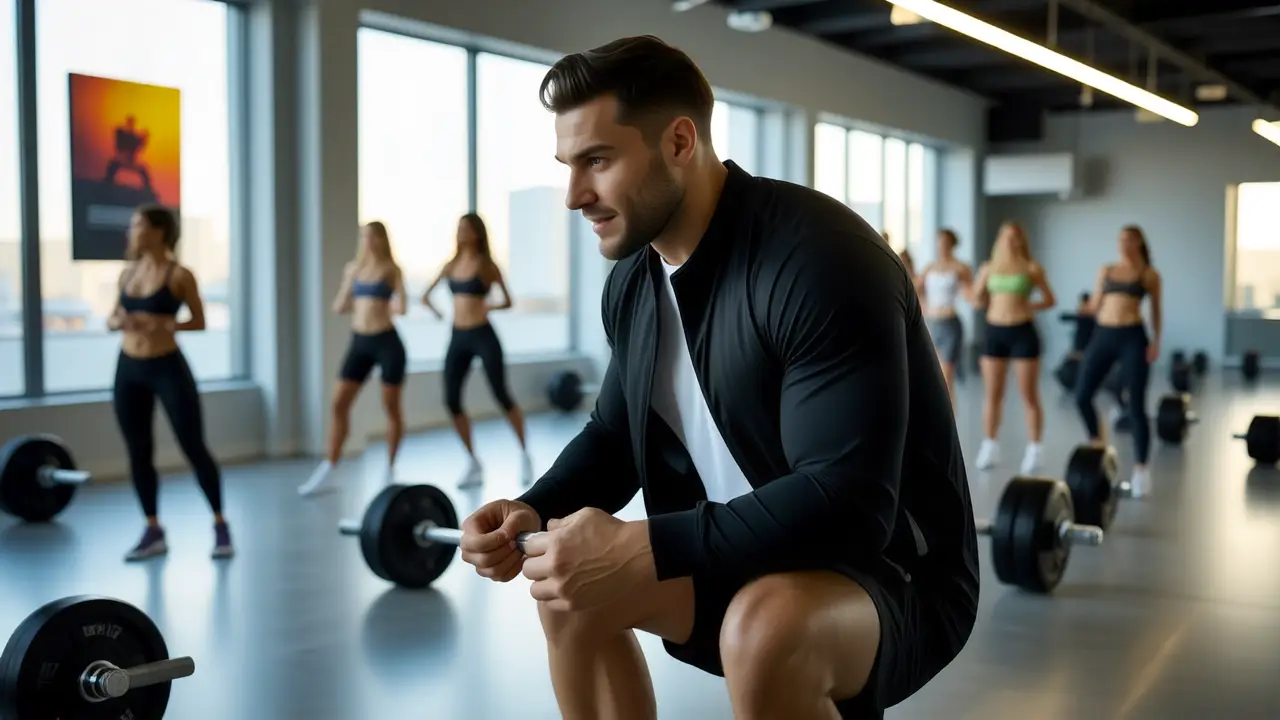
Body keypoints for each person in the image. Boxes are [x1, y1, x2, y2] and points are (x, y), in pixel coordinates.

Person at [456, 35, 979, 720]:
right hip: (739, 551)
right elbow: (615, 436)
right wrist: (532, 505)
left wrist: (644, 543)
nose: (575, 195)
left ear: (679, 141)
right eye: (568, 165)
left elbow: (848, 502)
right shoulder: (634, 286)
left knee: (766, 630)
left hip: (892, 571)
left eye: (598, 161)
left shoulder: (820, 260)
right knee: (569, 588)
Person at [107, 205, 232, 561]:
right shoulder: (127, 274)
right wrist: (120, 321)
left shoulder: (180, 275)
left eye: (138, 224)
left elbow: (199, 321)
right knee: (138, 450)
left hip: (167, 367)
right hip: (129, 368)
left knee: (193, 445)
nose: (132, 230)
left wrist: (165, 325)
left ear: (160, 231)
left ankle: (220, 525)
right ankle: (152, 529)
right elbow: (113, 315)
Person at [421, 213, 533, 488]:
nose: (461, 232)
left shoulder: (487, 266)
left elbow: (508, 301)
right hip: (458, 336)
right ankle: (473, 462)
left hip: (483, 334)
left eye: (467, 228)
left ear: (477, 233)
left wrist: (489, 306)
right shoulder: (451, 265)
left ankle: (524, 454)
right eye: (459, 228)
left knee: (501, 393)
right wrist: (435, 312)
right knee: (451, 399)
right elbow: (425, 295)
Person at [298, 221, 408, 496]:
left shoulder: (391, 270)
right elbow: (339, 306)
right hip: (360, 342)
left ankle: (390, 468)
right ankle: (330, 466)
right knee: (339, 403)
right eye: (364, 236)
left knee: (390, 406)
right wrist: (351, 286)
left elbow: (402, 305)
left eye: (372, 236)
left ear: (382, 239)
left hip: (387, 342)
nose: (368, 241)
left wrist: (389, 302)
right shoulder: (354, 269)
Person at [1074, 225, 1162, 496]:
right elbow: (1095, 305)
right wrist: (1082, 310)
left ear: (1139, 243)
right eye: (1120, 238)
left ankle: (1140, 469)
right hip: (1104, 334)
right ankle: (1097, 445)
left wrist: (1156, 341)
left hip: (1132, 337)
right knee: (1082, 395)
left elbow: (1157, 310)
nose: (1123, 243)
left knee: (1136, 404)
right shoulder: (1107, 270)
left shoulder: (1148, 274)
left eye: (1129, 239)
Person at [970, 221, 1057, 474]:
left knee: (1028, 394)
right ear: (999, 239)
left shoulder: (1031, 268)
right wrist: (978, 296)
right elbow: (976, 298)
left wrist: (1031, 306)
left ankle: (1034, 449)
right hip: (995, 331)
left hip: (1023, 332)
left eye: (1015, 237)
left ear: (1021, 241)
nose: (1010, 241)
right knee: (993, 394)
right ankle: (989, 445)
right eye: (1006, 236)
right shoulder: (988, 268)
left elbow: (1050, 299)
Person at [915, 229, 973, 404]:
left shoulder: (960, 268)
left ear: (952, 244)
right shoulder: (929, 267)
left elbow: (970, 293)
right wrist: (924, 306)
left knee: (947, 377)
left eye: (945, 242)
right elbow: (915, 289)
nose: (942, 245)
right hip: (931, 323)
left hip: (950, 324)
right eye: (939, 241)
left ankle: (950, 424)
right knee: (932, 376)